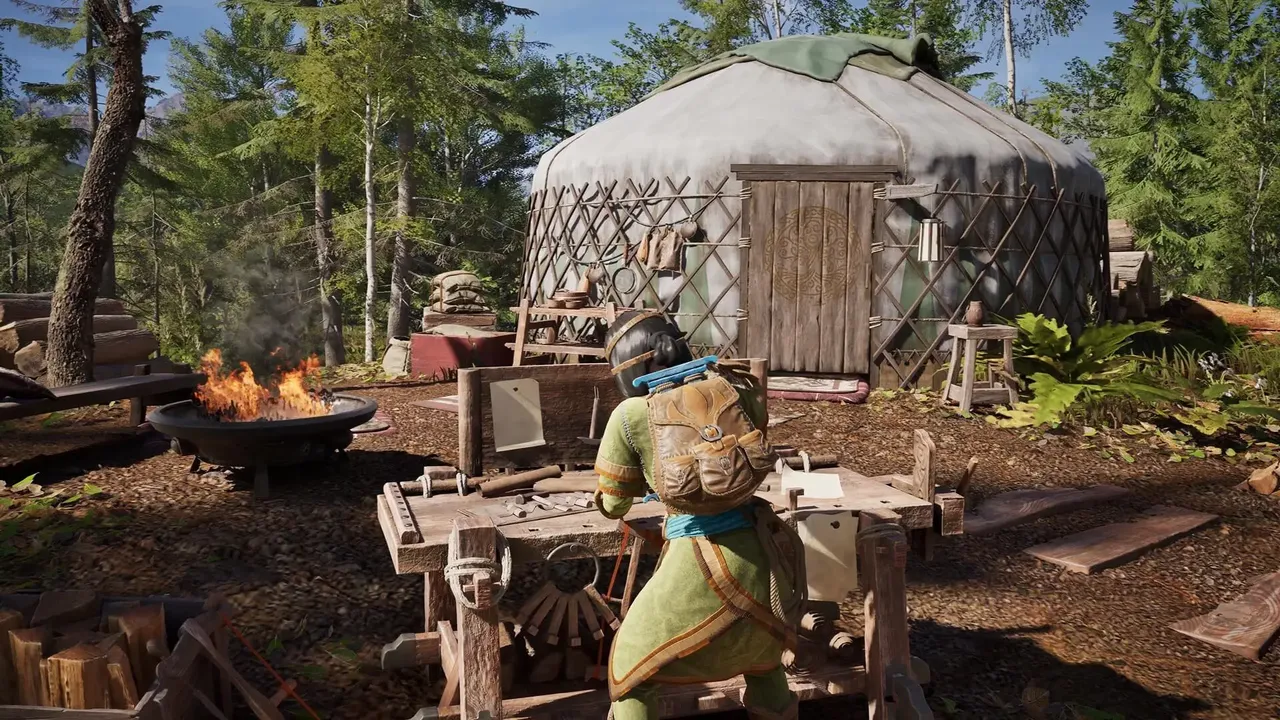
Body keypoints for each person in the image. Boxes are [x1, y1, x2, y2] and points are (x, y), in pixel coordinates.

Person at [592, 309, 805, 720]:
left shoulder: (631, 415)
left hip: (702, 562)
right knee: (765, 662)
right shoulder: (735, 386)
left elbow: (615, 504)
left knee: (631, 669)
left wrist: (607, 493)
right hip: (766, 560)